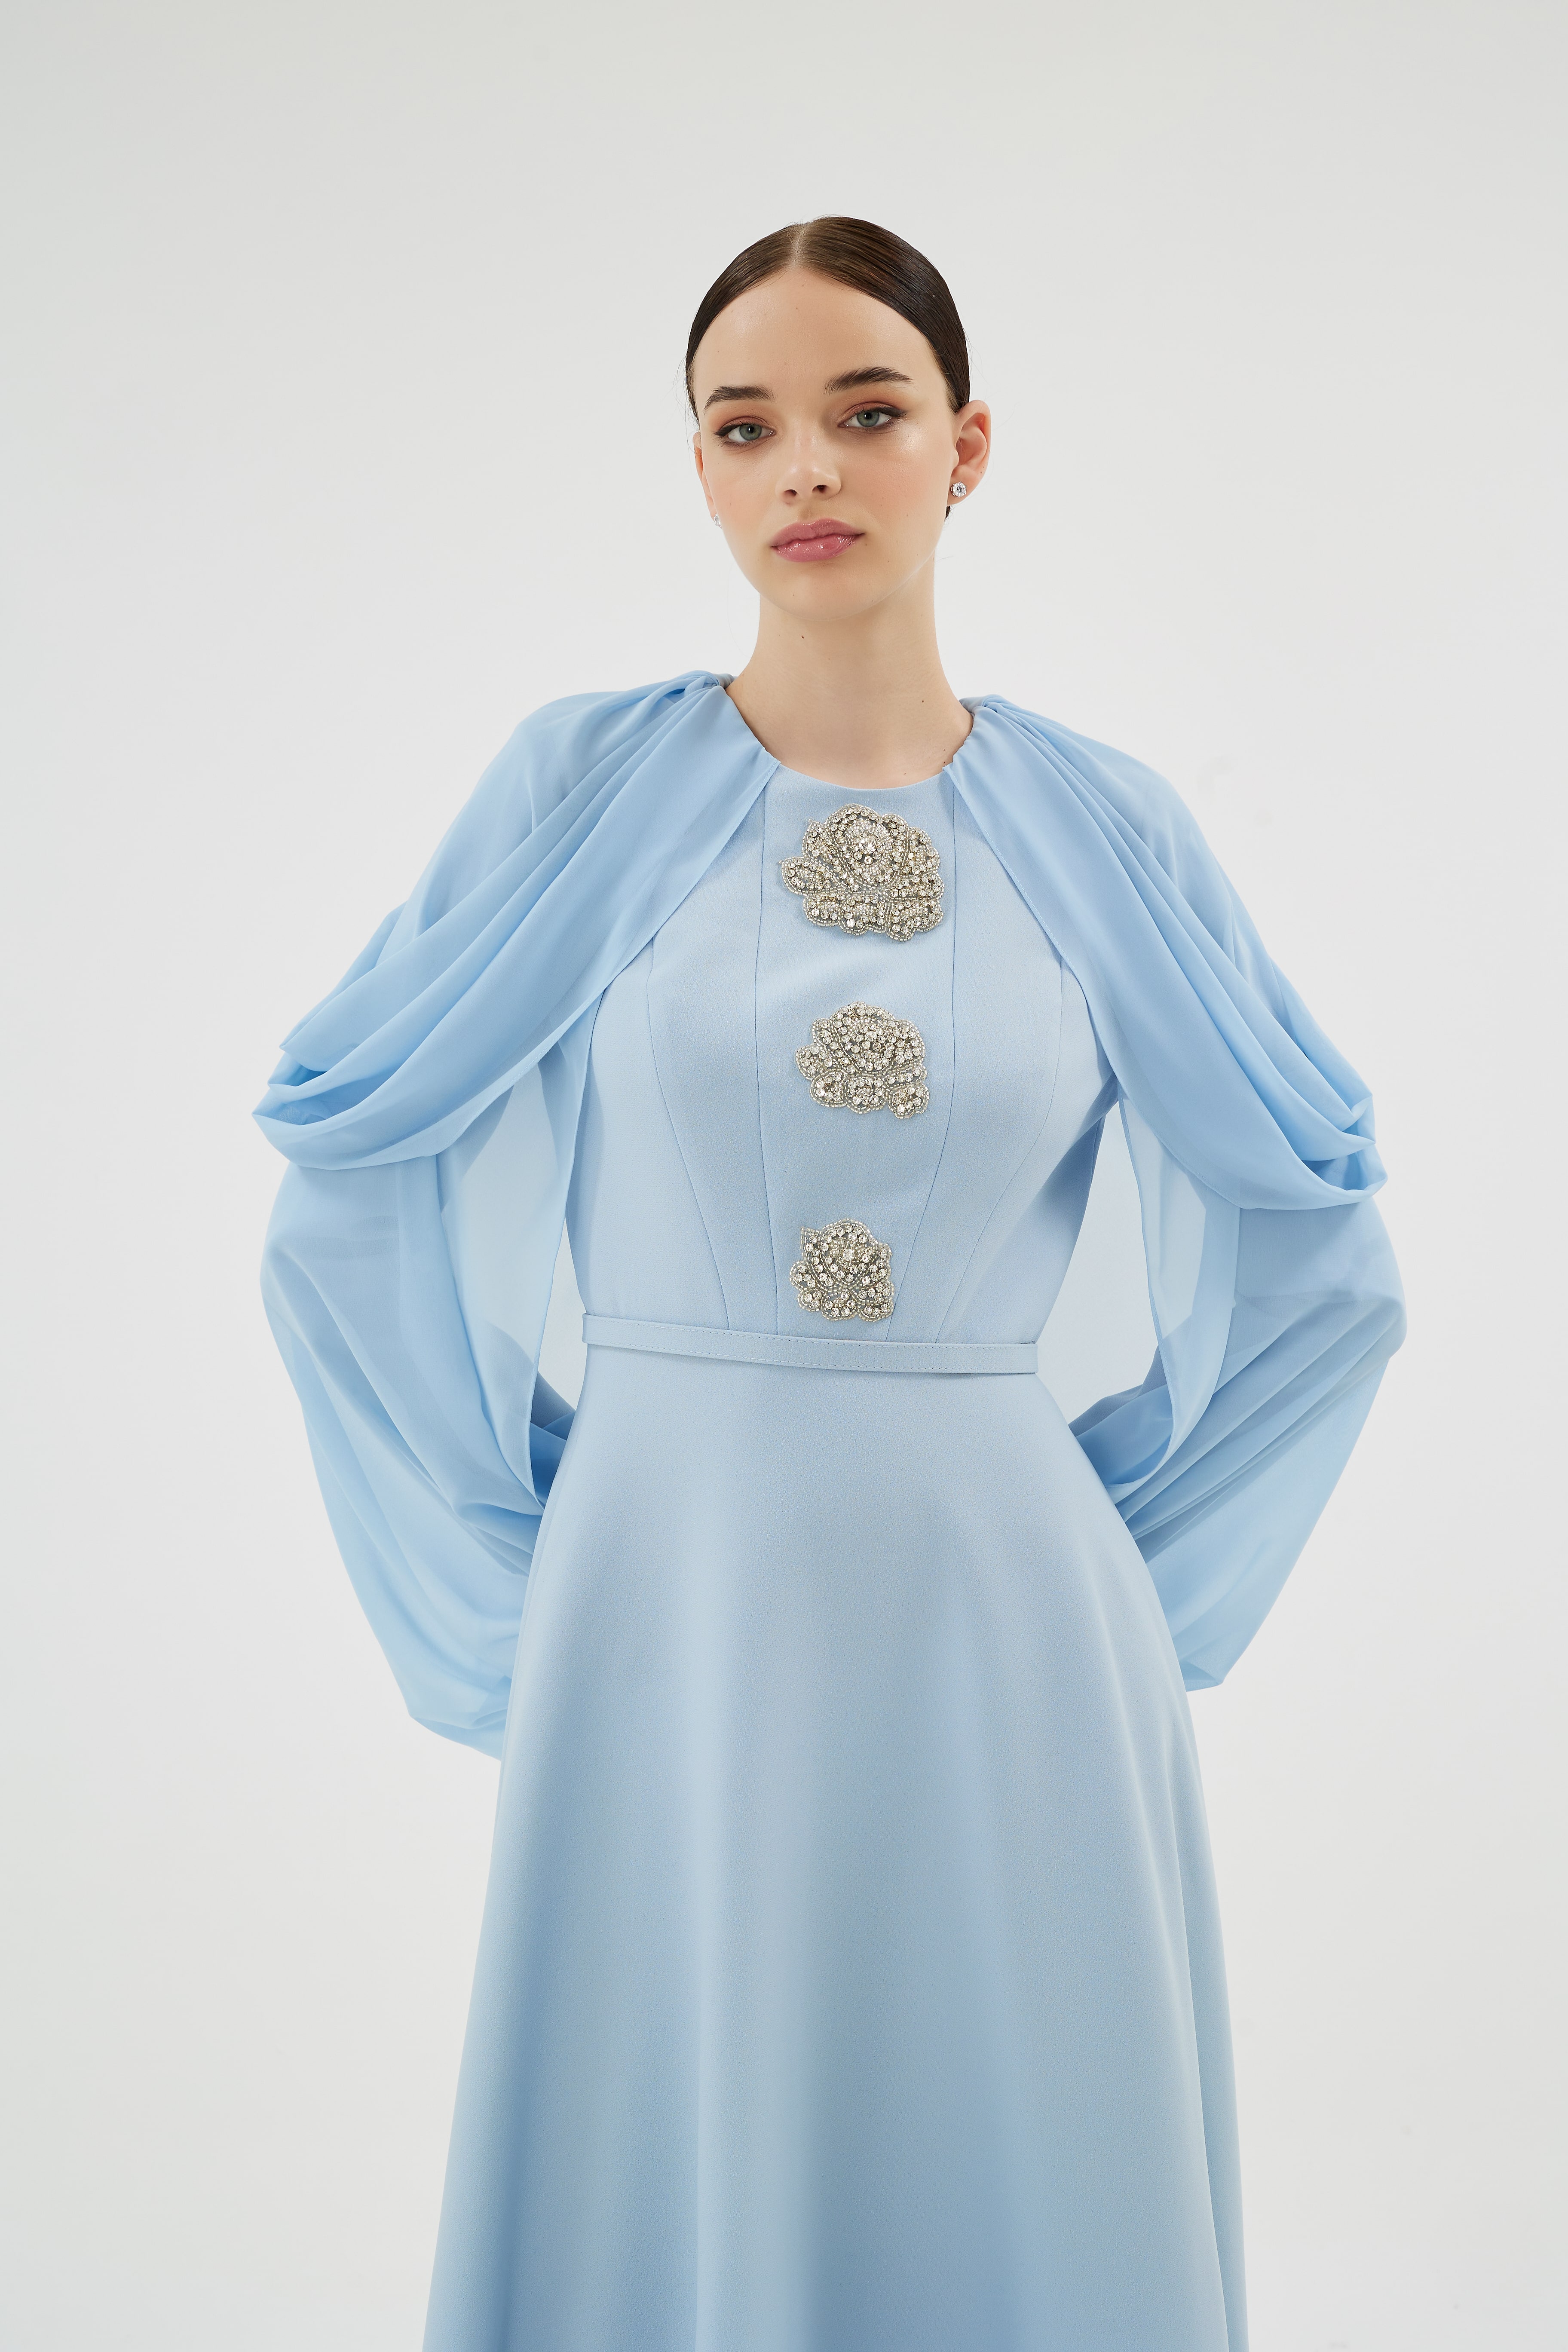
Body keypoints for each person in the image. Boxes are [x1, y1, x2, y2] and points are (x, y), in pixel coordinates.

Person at [256, 217, 1405, 2352]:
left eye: (868, 413)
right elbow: (351, 1178)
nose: (807, 465)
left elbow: (1324, 1250)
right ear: (697, 470)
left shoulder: (1110, 832)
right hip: (661, 1608)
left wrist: (1120, 1579)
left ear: (967, 448)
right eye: (746, 425)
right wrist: (524, 1565)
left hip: (1014, 1636)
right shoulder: (581, 795)